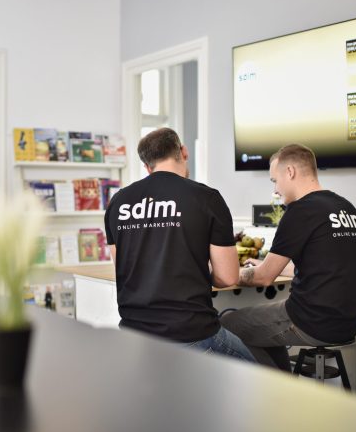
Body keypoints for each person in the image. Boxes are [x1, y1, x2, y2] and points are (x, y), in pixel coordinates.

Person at [104, 128, 255, 362]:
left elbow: (123, 267)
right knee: (259, 377)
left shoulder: (118, 202)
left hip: (134, 336)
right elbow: (228, 278)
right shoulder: (206, 198)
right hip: (190, 333)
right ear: (183, 151)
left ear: (147, 166)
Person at [220, 144, 356, 370]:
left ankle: (272, 388)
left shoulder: (301, 210)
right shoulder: (345, 207)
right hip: (348, 323)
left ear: (290, 172)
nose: (275, 190)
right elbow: (321, 268)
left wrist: (230, 274)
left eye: (275, 180)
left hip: (312, 321)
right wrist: (268, 264)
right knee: (261, 329)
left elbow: (263, 278)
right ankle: (282, 382)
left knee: (227, 324)